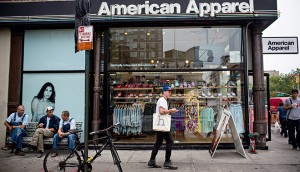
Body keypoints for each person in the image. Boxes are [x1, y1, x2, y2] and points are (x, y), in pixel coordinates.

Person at [148, 86, 179, 169]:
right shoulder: (162, 100)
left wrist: (170, 111)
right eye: (168, 91)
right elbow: (161, 112)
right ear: (164, 92)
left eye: (170, 91)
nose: (170, 93)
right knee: (169, 141)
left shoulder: (163, 100)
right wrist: (171, 110)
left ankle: (152, 160)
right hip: (162, 125)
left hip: (160, 125)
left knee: (158, 142)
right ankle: (167, 161)